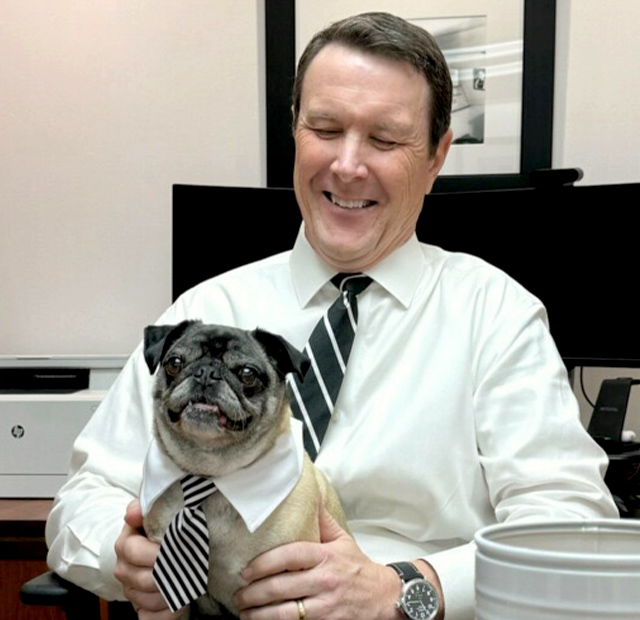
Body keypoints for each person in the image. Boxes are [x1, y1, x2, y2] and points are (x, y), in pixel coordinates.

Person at [45, 12, 617, 620]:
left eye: (385, 139)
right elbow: (82, 500)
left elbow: (566, 525)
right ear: (295, 131)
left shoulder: (496, 315)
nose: (346, 166)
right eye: (325, 128)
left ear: (437, 156)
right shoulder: (205, 313)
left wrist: (407, 589)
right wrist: (122, 551)